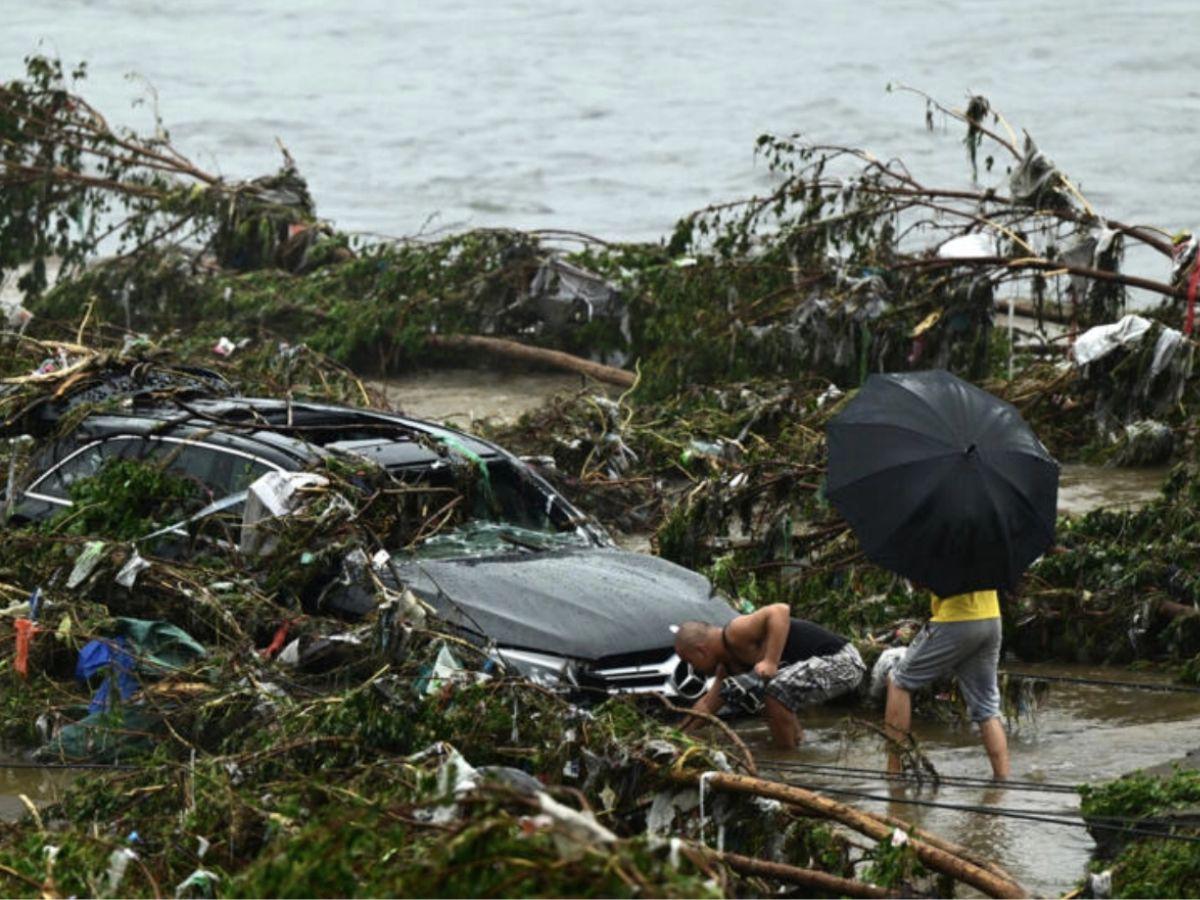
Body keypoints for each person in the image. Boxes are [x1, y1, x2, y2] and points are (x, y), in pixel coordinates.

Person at [674, 603, 865, 749]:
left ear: (701, 651)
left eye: (691, 662)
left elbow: (780, 610)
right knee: (771, 698)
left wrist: (770, 661)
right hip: (820, 671)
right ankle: (797, 748)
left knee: (774, 692)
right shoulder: (727, 667)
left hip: (845, 663)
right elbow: (707, 705)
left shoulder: (736, 632)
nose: (694, 668)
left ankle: (788, 761)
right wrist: (676, 736)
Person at [884, 588, 1009, 779]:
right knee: (987, 706)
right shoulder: (985, 556)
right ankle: (1003, 781)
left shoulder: (944, 555)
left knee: (899, 681)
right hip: (991, 619)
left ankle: (893, 771)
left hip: (955, 619)